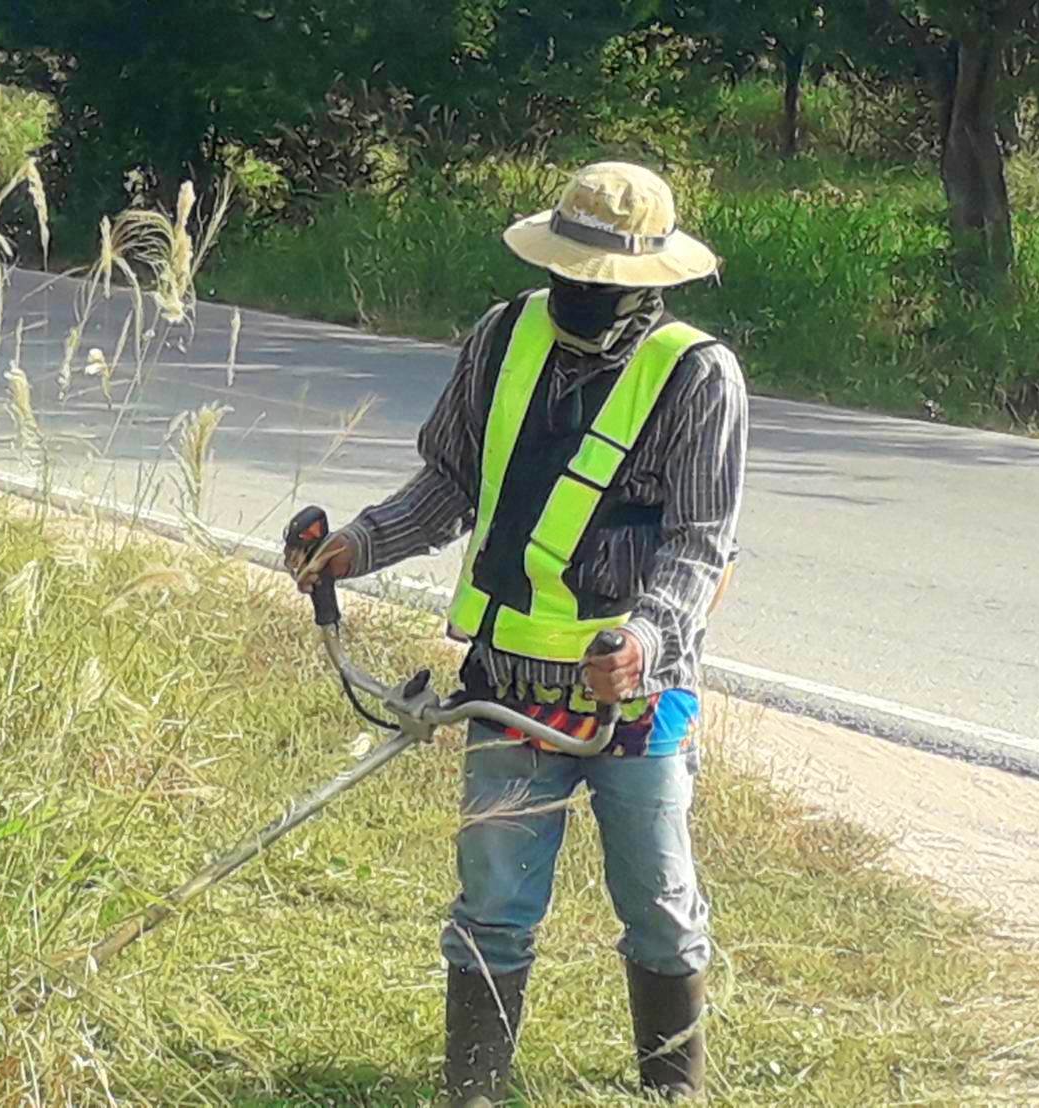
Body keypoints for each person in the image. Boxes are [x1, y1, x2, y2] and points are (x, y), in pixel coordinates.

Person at [288, 162, 747, 1104]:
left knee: (659, 908)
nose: (580, 292)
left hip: (636, 698)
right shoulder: (502, 338)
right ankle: (475, 1092)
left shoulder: (697, 376)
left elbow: (701, 544)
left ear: (648, 284)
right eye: (568, 271)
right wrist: (357, 545)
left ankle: (672, 1092)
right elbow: (449, 483)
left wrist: (647, 640)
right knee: (493, 909)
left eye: (603, 281)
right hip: (506, 680)